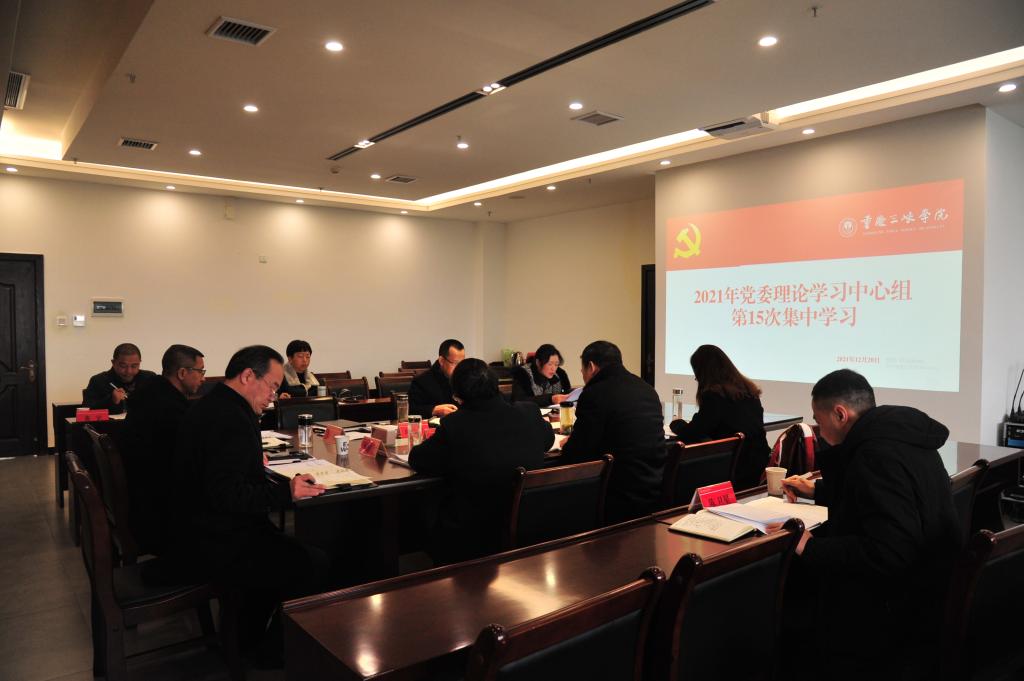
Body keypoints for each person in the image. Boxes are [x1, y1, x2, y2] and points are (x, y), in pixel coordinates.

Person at [780, 369, 960, 679]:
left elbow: (888, 551)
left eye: (819, 422)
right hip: (934, 582)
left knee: (791, 601)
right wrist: (818, 490)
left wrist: (810, 547)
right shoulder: (901, 436)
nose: (819, 432)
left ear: (840, 414)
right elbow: (886, 498)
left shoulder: (875, 454)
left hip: (898, 610)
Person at [171, 345, 328, 664]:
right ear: (247, 376)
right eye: (272, 386)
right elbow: (228, 496)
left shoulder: (214, 405)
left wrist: (251, 461)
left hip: (193, 525)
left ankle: (248, 637)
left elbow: (221, 470)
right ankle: (271, 653)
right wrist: (288, 493)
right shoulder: (231, 419)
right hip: (215, 539)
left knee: (283, 550)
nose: (273, 395)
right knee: (312, 563)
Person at [409, 358, 554, 564]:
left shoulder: (455, 425)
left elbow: (418, 459)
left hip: (471, 536)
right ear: (495, 384)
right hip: (528, 526)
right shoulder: (529, 412)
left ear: (457, 394)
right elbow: (548, 441)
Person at [560, 341, 666, 524]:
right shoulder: (646, 388)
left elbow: (578, 453)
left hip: (617, 493)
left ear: (591, 366)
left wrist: (569, 444)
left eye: (582, 370)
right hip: (654, 486)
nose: (583, 375)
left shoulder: (595, 393)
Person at [118, 344, 205, 555]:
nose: (203, 378)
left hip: (143, 496)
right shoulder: (167, 407)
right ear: (182, 373)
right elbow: (187, 458)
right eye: (200, 371)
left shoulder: (152, 392)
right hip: (157, 511)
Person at [668, 344, 771, 490]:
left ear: (704, 373)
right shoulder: (748, 390)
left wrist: (676, 424)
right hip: (759, 464)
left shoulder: (714, 395)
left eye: (696, 372)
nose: (696, 378)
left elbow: (694, 431)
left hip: (733, 469)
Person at [82, 343, 157, 414]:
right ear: (113, 363)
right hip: (112, 423)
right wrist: (111, 400)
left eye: (134, 366)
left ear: (140, 363)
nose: (129, 371)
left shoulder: (149, 378)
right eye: (123, 366)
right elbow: (86, 411)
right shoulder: (99, 381)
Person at [409, 339, 465, 417]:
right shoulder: (421, 381)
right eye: (455, 363)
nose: (460, 368)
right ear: (441, 361)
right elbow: (411, 409)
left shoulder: (465, 378)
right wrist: (434, 410)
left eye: (462, 363)